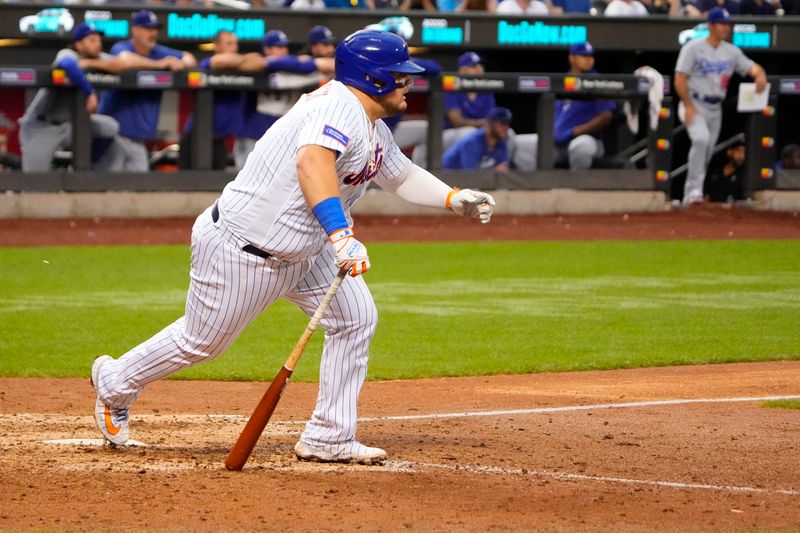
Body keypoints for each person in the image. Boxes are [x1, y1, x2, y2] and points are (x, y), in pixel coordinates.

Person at [89, 30, 495, 464]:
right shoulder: (337, 106)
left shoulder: (369, 121)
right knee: (200, 343)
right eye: (400, 76)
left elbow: (398, 174)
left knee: (355, 319)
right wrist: (342, 236)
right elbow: (311, 162)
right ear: (373, 79)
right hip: (244, 249)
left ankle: (329, 436)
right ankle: (115, 381)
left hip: (305, 249)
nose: (408, 84)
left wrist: (453, 199)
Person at [18, 23, 171, 172]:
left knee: (110, 127)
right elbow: (68, 65)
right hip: (41, 126)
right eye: (91, 40)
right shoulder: (67, 54)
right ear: (78, 45)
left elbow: (121, 64)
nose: (97, 44)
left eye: (98, 40)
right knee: (36, 181)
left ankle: (90, 168)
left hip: (70, 126)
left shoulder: (97, 58)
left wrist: (89, 63)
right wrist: (89, 93)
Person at [674, 7, 767, 205]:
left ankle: (693, 193)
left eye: (727, 24)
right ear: (710, 26)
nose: (725, 28)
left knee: (707, 149)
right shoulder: (692, 47)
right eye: (721, 24)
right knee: (700, 139)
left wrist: (760, 75)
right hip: (694, 102)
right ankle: (693, 193)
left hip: (715, 108)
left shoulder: (731, 51)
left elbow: (751, 67)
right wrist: (688, 106)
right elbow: (680, 78)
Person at [98, 10, 197, 172]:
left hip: (138, 138)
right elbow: (124, 60)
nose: (152, 33)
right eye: (147, 29)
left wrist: (181, 64)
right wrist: (160, 65)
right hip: (114, 135)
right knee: (105, 182)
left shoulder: (158, 51)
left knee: (137, 185)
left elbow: (190, 58)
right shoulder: (122, 47)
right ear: (135, 30)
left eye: (154, 29)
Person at [179, 30, 245, 170]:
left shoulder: (242, 70)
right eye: (229, 43)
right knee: (186, 185)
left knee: (215, 186)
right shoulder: (207, 64)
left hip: (219, 140)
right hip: (195, 137)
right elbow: (220, 61)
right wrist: (250, 59)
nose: (234, 48)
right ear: (217, 47)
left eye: (235, 44)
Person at [554, 42, 617, 170]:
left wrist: (574, 132)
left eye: (590, 56)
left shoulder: (597, 81)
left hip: (588, 140)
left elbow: (606, 116)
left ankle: (577, 187)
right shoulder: (565, 80)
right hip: (558, 140)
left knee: (581, 147)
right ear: (571, 58)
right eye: (583, 56)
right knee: (522, 145)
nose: (588, 60)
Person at [443, 107, 513, 170]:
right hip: (445, 179)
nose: (506, 128)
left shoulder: (501, 142)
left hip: (467, 181)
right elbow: (469, 175)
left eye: (508, 124)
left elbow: (502, 170)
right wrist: (493, 172)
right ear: (489, 123)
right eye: (502, 123)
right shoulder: (472, 142)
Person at [704, 137, 745, 202]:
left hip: (732, 211)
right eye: (738, 150)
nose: (742, 156)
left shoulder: (745, 176)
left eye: (744, 152)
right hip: (711, 210)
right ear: (729, 152)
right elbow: (707, 196)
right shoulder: (715, 171)